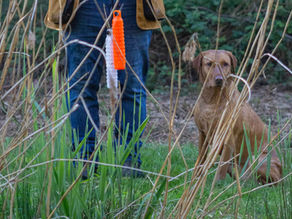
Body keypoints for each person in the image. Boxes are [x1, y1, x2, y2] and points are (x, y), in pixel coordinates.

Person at [44, 0, 164, 178]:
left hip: (133, 6)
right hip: (81, 6)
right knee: (81, 87)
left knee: (132, 86)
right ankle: (84, 160)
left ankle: (128, 161)